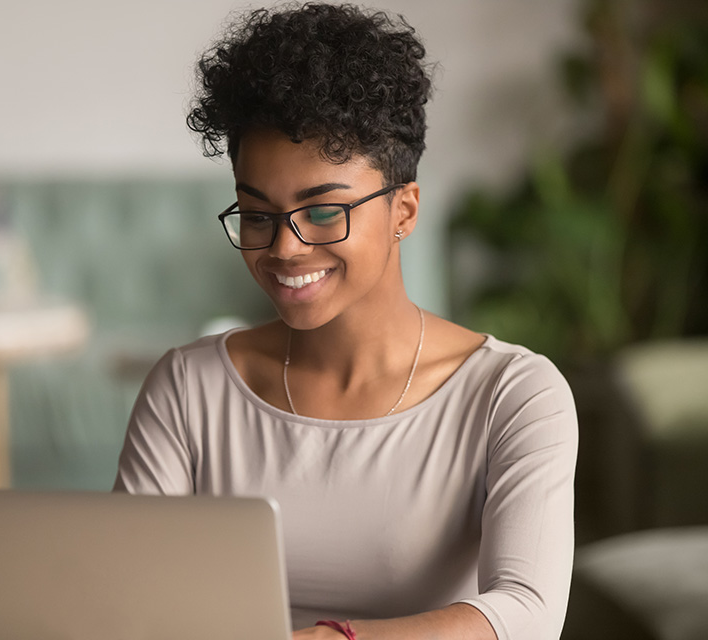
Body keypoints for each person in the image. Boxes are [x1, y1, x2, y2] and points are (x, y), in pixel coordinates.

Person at [114, 3, 578, 639]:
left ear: (404, 211)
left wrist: (331, 639)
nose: (284, 248)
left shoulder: (514, 395)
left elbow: (527, 613)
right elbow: (125, 598)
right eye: (258, 215)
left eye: (324, 211)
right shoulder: (189, 390)